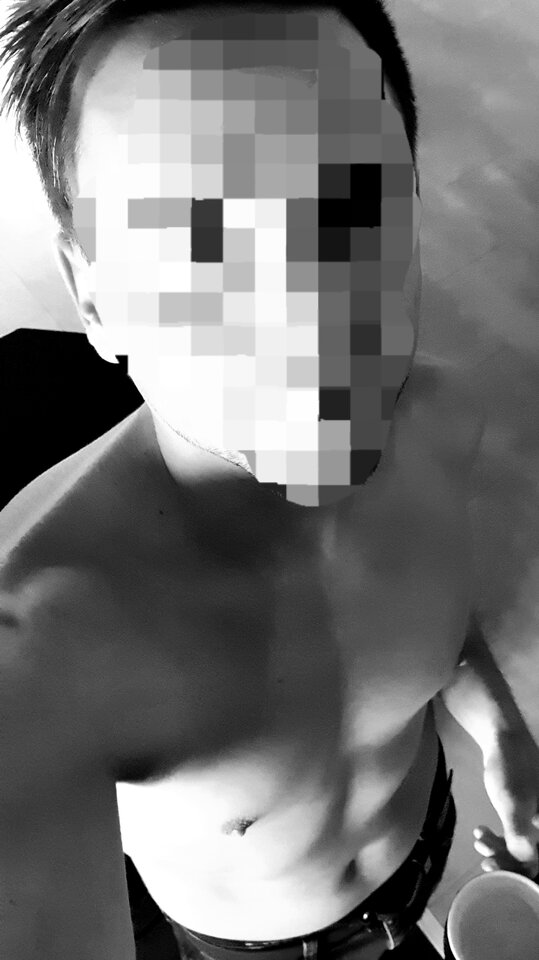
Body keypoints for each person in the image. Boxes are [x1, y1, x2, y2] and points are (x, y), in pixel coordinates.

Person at [0, 3, 538, 958]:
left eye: (354, 202)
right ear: (92, 291)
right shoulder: (42, 648)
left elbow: (436, 621)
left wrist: (500, 729)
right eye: (195, 233)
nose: (307, 305)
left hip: (427, 846)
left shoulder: (439, 424)